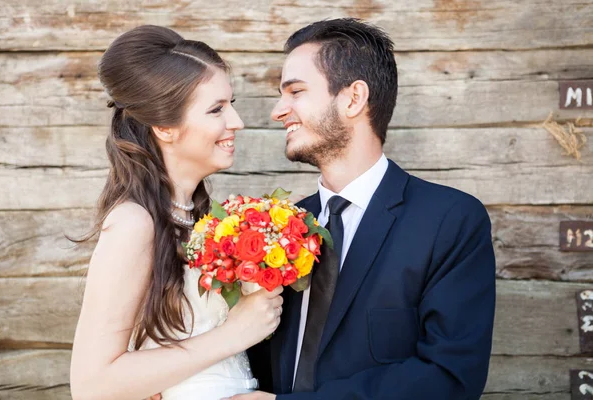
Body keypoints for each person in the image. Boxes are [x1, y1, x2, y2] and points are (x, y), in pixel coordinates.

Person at [237, 18, 496, 400]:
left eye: (295, 91)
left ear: (353, 98)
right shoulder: (278, 228)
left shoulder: (450, 221)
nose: (279, 110)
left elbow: (450, 378)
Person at [69, 25, 284, 400]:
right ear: (166, 127)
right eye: (217, 109)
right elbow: (92, 385)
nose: (237, 122)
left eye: (231, 104)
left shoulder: (202, 220)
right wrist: (233, 335)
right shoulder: (133, 223)